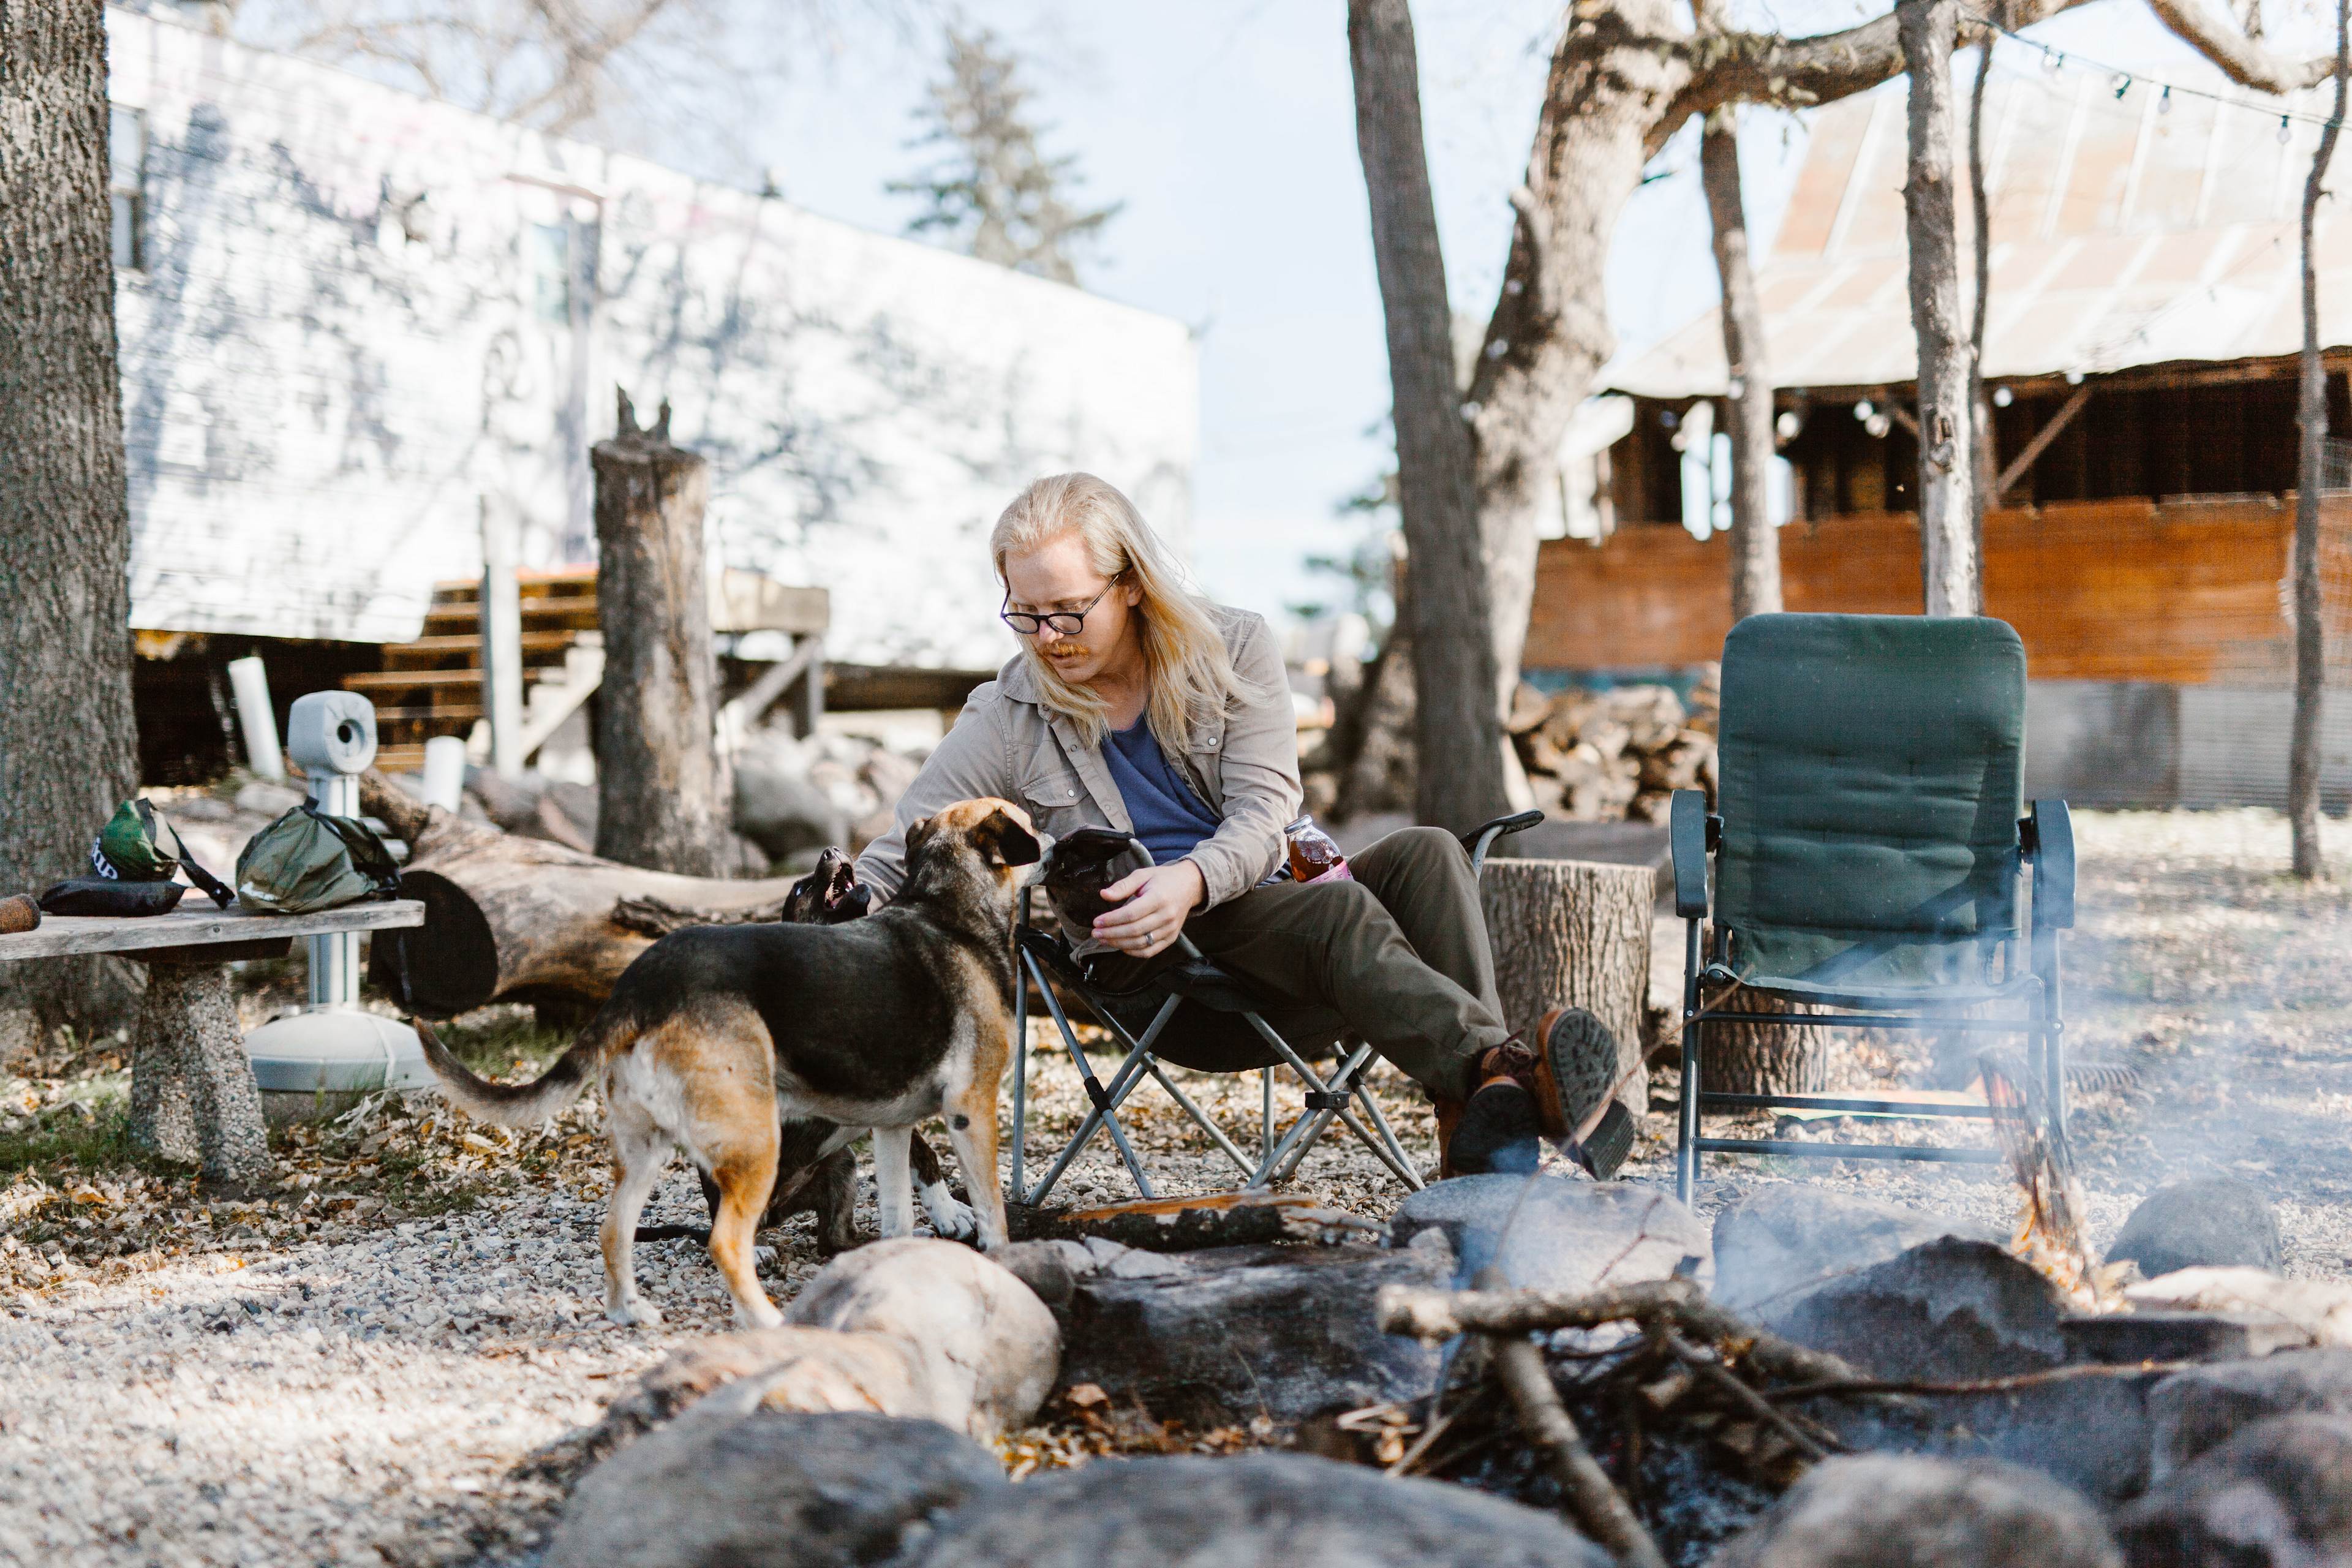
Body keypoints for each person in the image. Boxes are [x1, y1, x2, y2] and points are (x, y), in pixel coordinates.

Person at [853, 472, 1620, 1177]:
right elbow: (907, 845)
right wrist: (828, 908)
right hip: (1163, 981)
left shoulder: (1235, 648)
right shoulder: (1009, 714)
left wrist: (1192, 879)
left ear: (1129, 587)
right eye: (1026, 613)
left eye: (1068, 610)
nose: (1048, 635)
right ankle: (1515, 1077)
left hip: (1282, 931)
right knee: (1337, 910)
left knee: (1428, 853)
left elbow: (1264, 814)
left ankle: (1481, 1126)